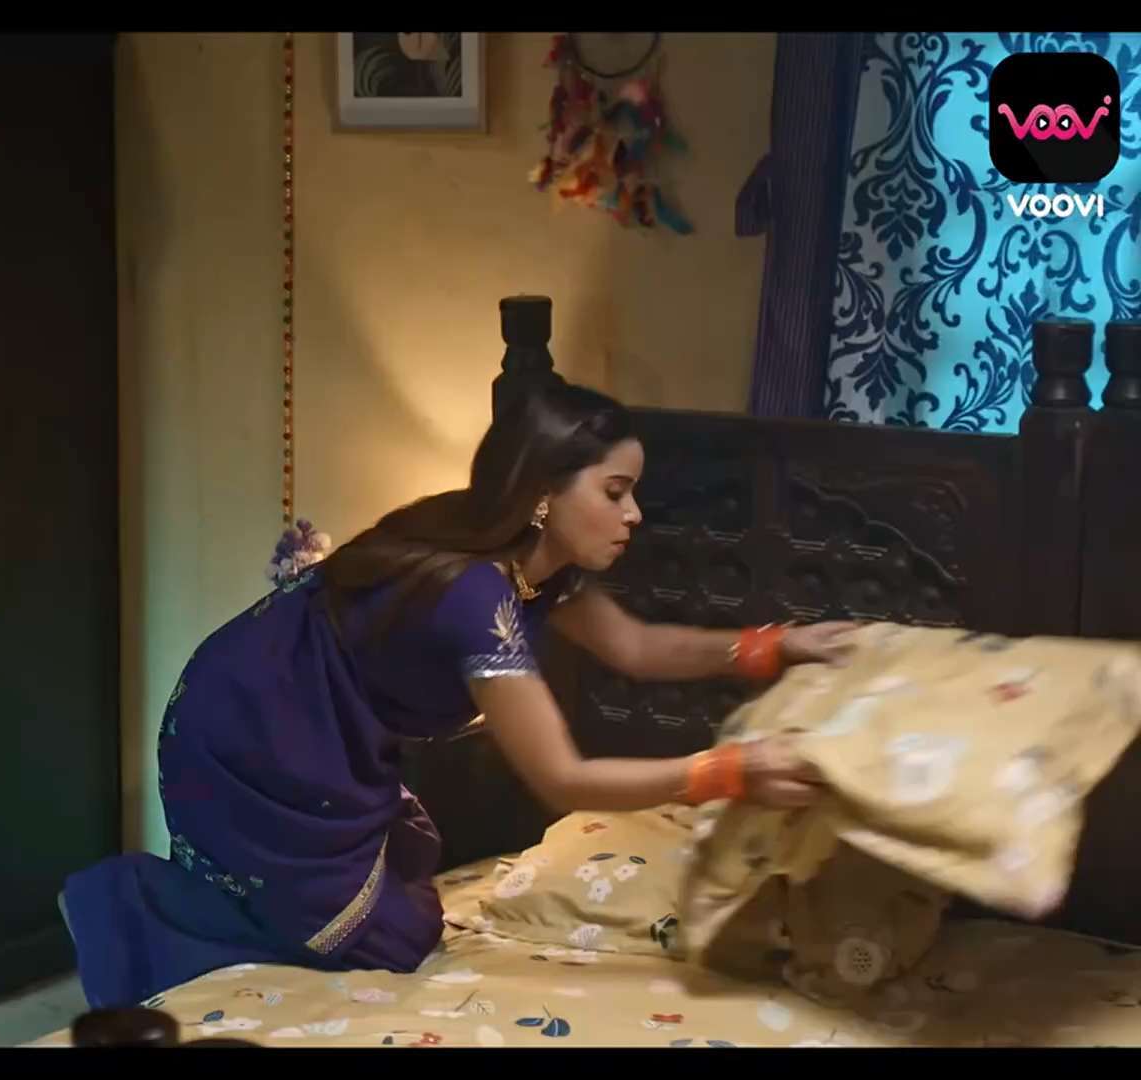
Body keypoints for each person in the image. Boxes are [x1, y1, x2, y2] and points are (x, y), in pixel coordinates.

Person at [59, 374, 853, 1010]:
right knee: (393, 937)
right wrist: (731, 771)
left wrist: (775, 646)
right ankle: (125, 908)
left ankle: (236, 904)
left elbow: (637, 648)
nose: (634, 514)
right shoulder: (478, 596)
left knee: (406, 877)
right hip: (255, 727)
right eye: (615, 492)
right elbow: (562, 778)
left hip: (325, 741)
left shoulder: (543, 575)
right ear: (544, 492)